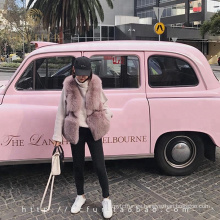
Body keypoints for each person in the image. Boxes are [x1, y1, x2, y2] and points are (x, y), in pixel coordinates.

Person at [52, 56, 113, 218]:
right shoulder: (68, 86)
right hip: (76, 130)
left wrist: (107, 117)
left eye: (85, 73)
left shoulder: (95, 84)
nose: (82, 76)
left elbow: (105, 104)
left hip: (93, 130)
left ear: (89, 71)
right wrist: (57, 135)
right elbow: (61, 111)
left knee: (99, 165)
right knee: (78, 165)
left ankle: (106, 198)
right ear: (74, 70)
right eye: (79, 73)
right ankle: (80, 196)